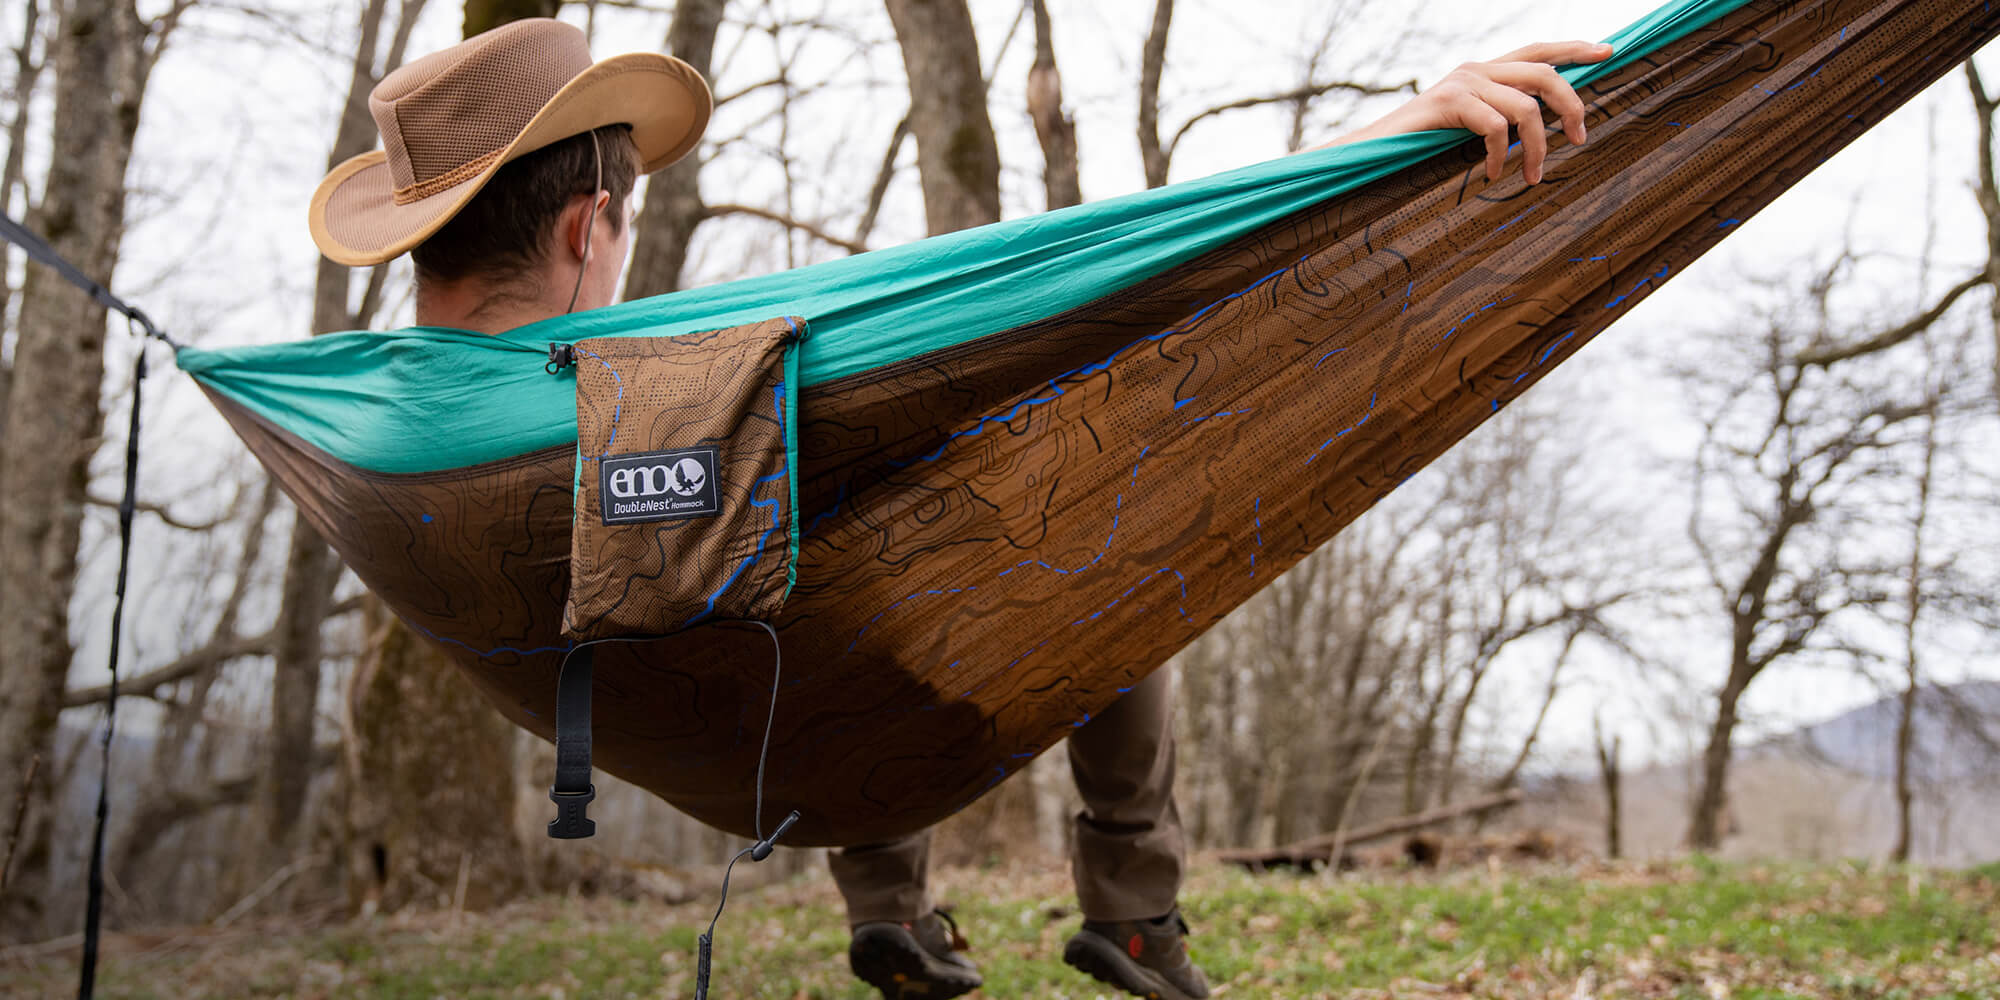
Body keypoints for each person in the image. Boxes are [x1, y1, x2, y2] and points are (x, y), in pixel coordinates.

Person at [308, 18, 1609, 1000]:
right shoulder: (651, 378)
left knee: (847, 531)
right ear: (593, 223)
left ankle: (891, 901)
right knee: (1111, 512)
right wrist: (1389, 136)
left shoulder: (368, 426)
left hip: (752, 726)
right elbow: (1081, 268)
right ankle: (1134, 904)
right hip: (819, 710)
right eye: (631, 217)